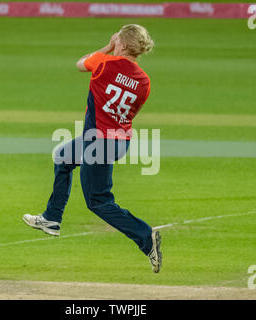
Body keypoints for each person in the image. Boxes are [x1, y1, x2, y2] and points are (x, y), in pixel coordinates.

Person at [23, 24, 162, 273]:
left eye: (117, 39)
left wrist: (107, 48)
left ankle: (145, 236)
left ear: (122, 44)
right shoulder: (144, 81)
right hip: (118, 141)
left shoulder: (103, 62)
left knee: (98, 201)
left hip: (98, 142)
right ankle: (52, 218)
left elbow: (80, 64)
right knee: (63, 157)